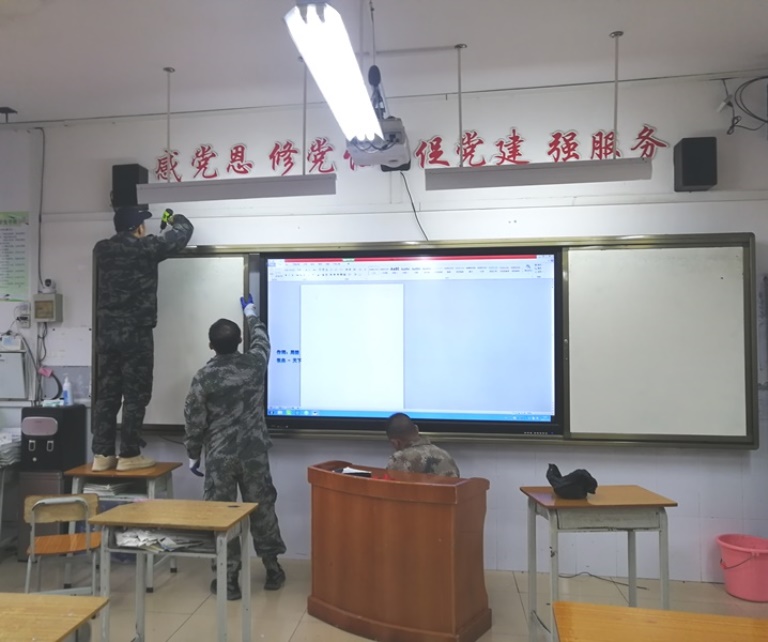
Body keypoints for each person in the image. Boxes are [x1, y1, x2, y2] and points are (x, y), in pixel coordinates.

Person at [184, 295, 286, 600]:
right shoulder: (255, 363)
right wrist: (250, 312)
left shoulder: (204, 377)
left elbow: (193, 420)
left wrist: (193, 454)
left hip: (220, 458)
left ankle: (228, 579)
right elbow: (263, 339)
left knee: (221, 515)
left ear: (210, 345)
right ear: (240, 340)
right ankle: (273, 569)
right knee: (263, 509)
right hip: (254, 453)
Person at [92, 206, 193, 472]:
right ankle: (129, 454)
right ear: (138, 228)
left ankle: (102, 454)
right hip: (136, 334)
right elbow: (184, 231)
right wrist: (174, 218)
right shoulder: (147, 248)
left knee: (107, 395)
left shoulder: (102, 249)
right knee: (135, 395)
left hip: (106, 335)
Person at [385, 412, 460, 477]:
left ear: (396, 443)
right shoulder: (445, 455)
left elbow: (389, 487)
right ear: (417, 429)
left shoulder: (399, 460)